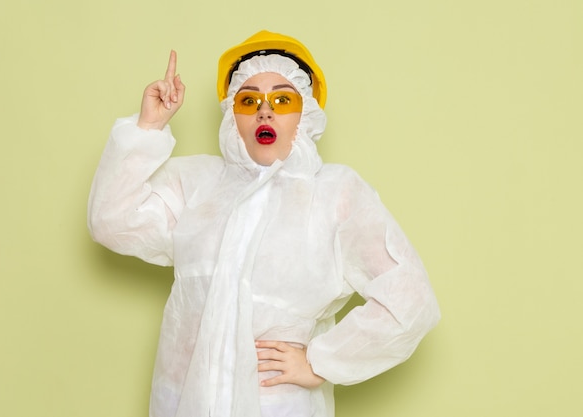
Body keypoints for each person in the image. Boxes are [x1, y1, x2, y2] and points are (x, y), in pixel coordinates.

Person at [87, 30, 440, 417]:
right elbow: (111, 221)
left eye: (282, 100)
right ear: (231, 114)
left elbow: (411, 298)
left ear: (304, 113)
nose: (264, 111)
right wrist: (148, 128)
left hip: (278, 406)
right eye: (249, 99)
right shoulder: (198, 183)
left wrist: (321, 362)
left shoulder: (336, 194)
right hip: (184, 403)